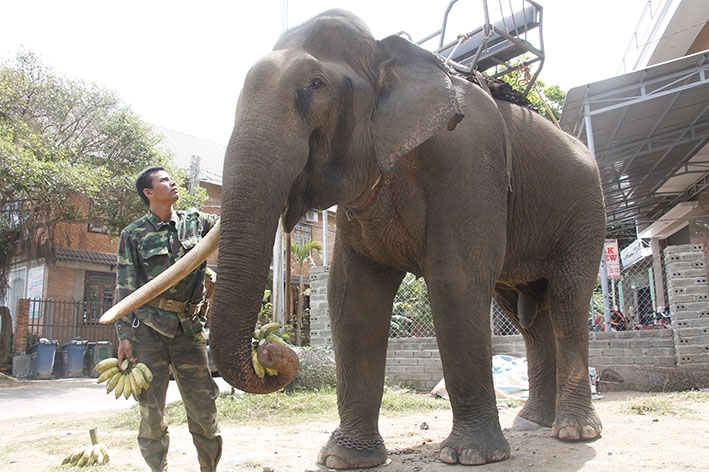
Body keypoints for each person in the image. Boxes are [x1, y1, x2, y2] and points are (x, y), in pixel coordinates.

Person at [114, 166, 221, 472]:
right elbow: (125, 288)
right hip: (149, 333)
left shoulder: (197, 222)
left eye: (171, 178)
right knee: (151, 411)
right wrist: (124, 336)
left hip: (189, 330)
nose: (172, 182)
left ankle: (209, 468)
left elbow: (233, 223)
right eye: (164, 180)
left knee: (203, 410)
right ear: (148, 192)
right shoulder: (133, 234)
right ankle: (157, 468)